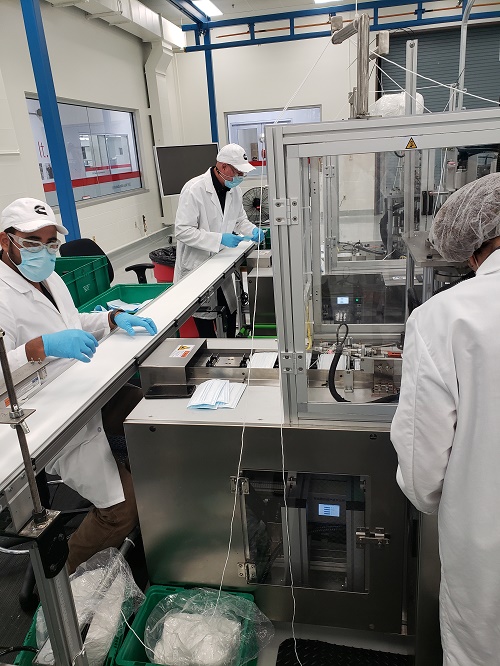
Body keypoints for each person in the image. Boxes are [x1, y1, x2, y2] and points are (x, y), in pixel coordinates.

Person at [0, 197, 157, 573]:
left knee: (145, 409)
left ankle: (154, 496)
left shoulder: (48, 275)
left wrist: (112, 319)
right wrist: (39, 348)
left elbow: (72, 322)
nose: (45, 252)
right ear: (5, 241)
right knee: (121, 510)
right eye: (32, 242)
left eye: (51, 242)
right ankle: (62, 578)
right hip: (45, 415)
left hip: (83, 388)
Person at [391, 172, 500, 665]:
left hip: (487, 553)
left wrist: (434, 501)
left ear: (471, 244)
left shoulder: (446, 317)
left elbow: (422, 471)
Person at [174, 143, 265, 337]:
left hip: (221, 263)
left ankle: (231, 348)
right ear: (223, 167)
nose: (241, 177)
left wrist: (254, 230)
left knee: (229, 312)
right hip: (198, 264)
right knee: (206, 319)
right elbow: (182, 231)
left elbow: (240, 219)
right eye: (238, 172)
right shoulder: (194, 189)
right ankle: (213, 358)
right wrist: (218, 239)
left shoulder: (234, 190)